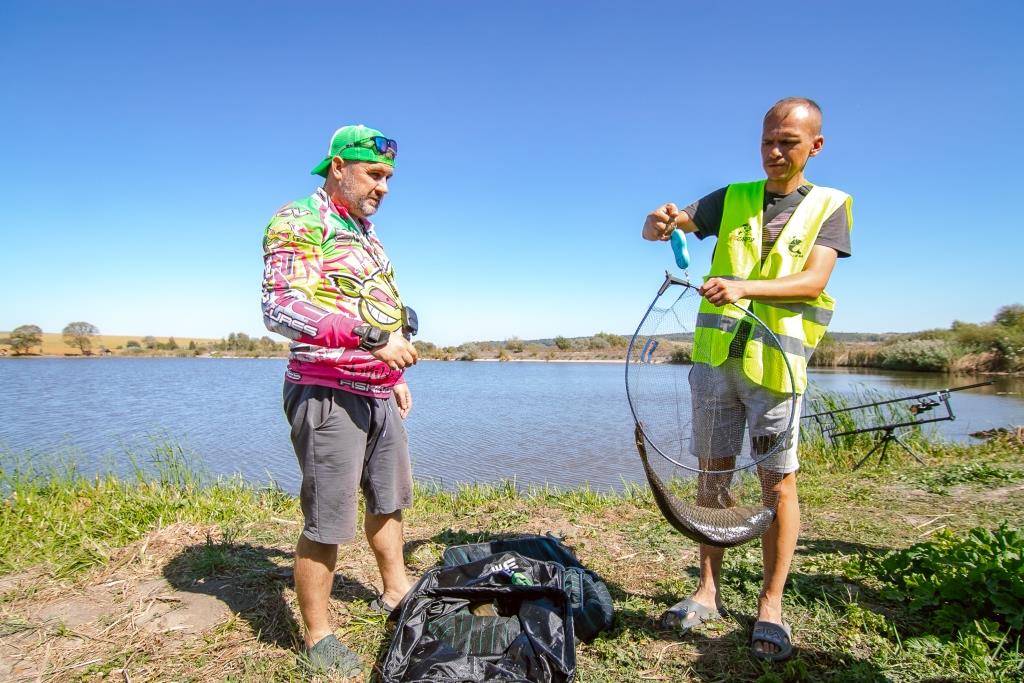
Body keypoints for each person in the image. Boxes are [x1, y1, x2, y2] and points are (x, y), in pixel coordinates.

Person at [641, 97, 852, 661]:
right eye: (767, 141)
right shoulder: (731, 198)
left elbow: (812, 281)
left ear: (815, 146)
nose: (775, 152)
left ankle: (770, 606)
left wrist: (743, 286)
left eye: (788, 141)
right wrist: (659, 221)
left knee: (776, 483)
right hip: (715, 362)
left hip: (776, 367)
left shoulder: (830, 205)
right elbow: (659, 231)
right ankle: (706, 591)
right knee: (711, 476)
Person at [262, 124, 419, 675]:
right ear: (338, 167)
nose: (385, 187)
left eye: (389, 177)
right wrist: (376, 340)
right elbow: (281, 307)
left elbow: (372, 306)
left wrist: (390, 371)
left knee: (388, 498)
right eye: (375, 174)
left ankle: (396, 590)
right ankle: (318, 635)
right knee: (328, 520)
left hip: (377, 391)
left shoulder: (367, 234)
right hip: (326, 392)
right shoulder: (300, 220)